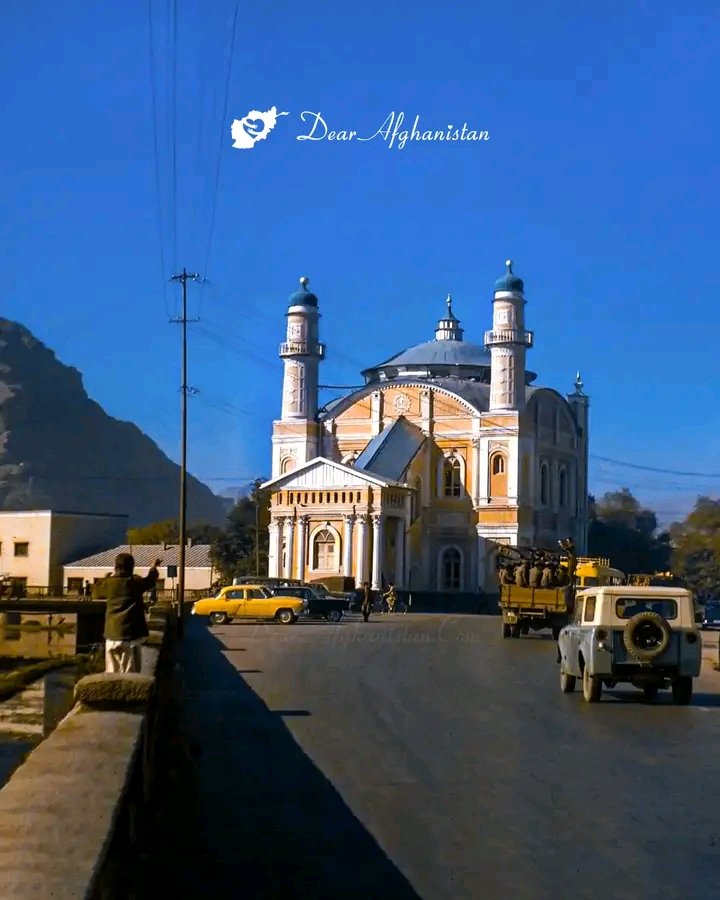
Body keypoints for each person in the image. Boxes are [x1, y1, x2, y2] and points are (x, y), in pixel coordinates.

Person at [93, 553, 161, 673]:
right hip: (130, 636)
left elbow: (95, 593)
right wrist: (153, 567)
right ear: (132, 567)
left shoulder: (109, 583)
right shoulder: (135, 582)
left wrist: (107, 577)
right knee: (130, 676)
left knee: (111, 674)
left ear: (116, 567)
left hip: (111, 635)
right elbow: (150, 580)